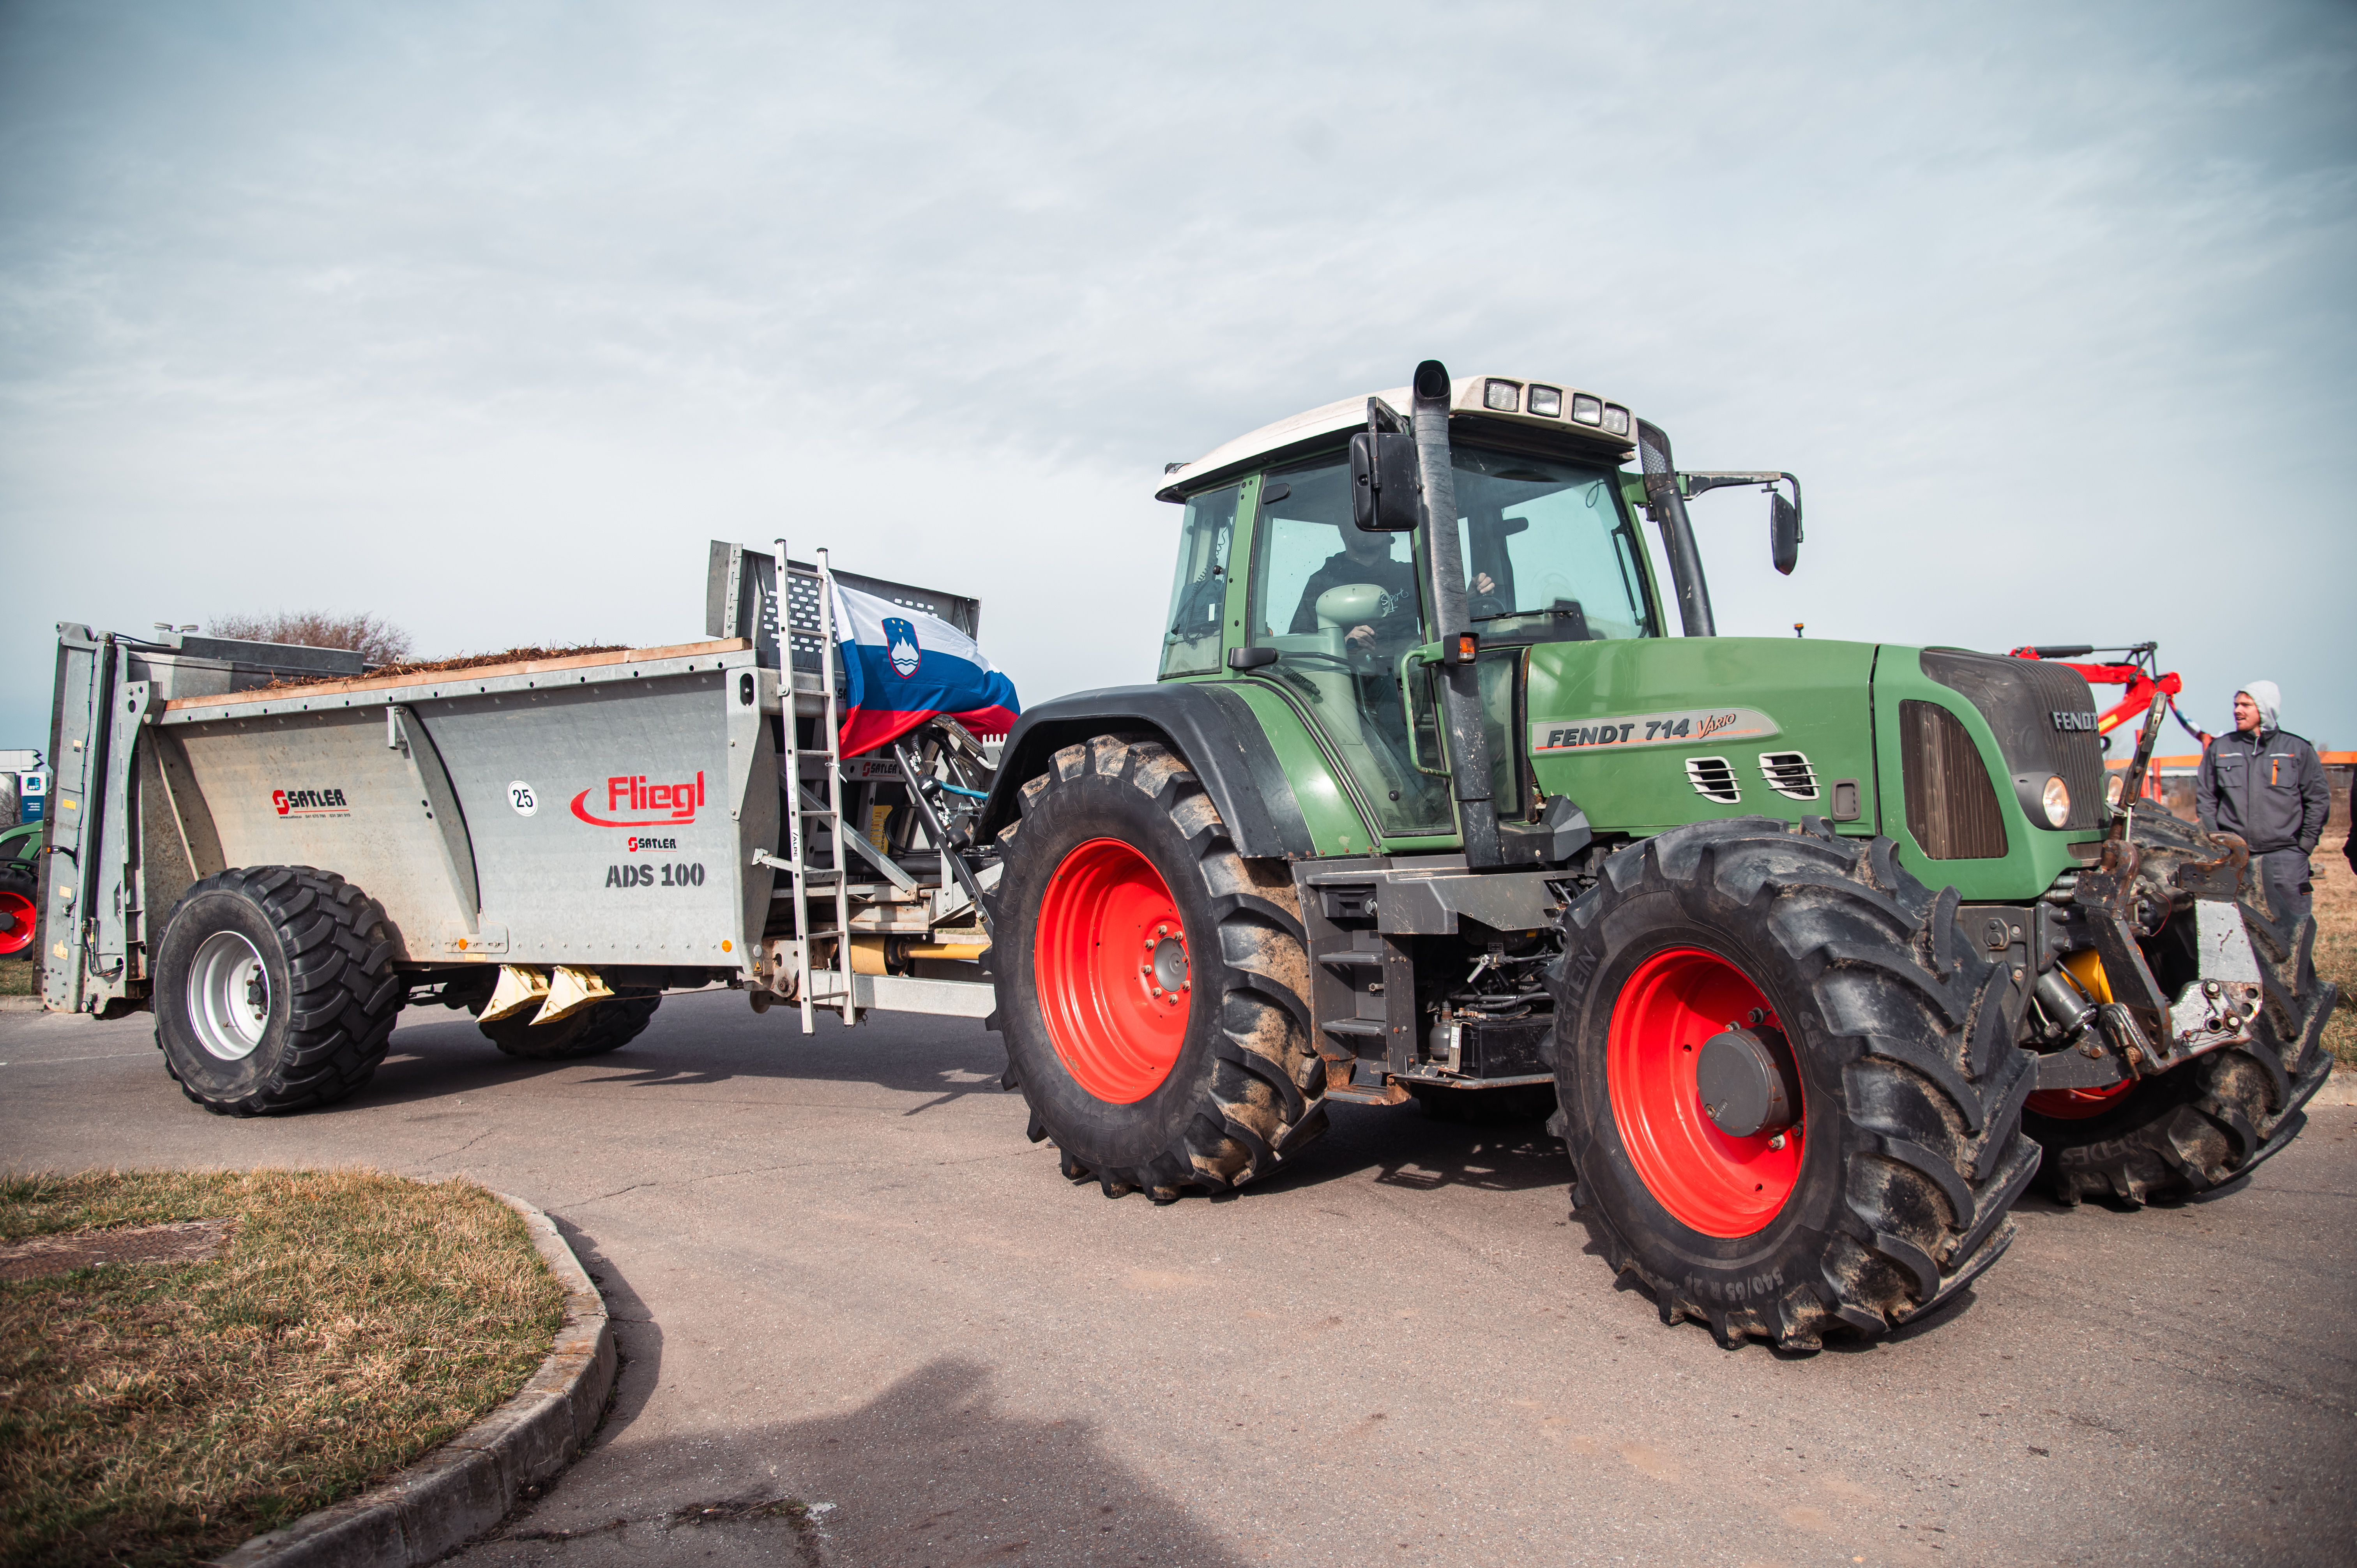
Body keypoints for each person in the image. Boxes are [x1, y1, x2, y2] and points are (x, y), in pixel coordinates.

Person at [2196, 680, 2328, 923]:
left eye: (2246, 705)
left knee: (2293, 927)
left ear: (2266, 710)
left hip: (2286, 859)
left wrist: (2304, 846)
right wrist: (2219, 844)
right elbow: (2206, 801)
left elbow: (2318, 799)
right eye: (2236, 704)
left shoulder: (2296, 749)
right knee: (2234, 930)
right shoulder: (2220, 749)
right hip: (2234, 858)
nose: (2237, 710)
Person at [1288, 523, 1492, 652]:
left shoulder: (1410, 575)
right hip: (1360, 685)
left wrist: (1470, 596)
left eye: (1381, 517)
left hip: (1416, 671)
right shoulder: (1324, 582)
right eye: (1365, 518)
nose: (1374, 523)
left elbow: (1442, 618)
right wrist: (1343, 642)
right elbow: (1300, 644)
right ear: (1343, 529)